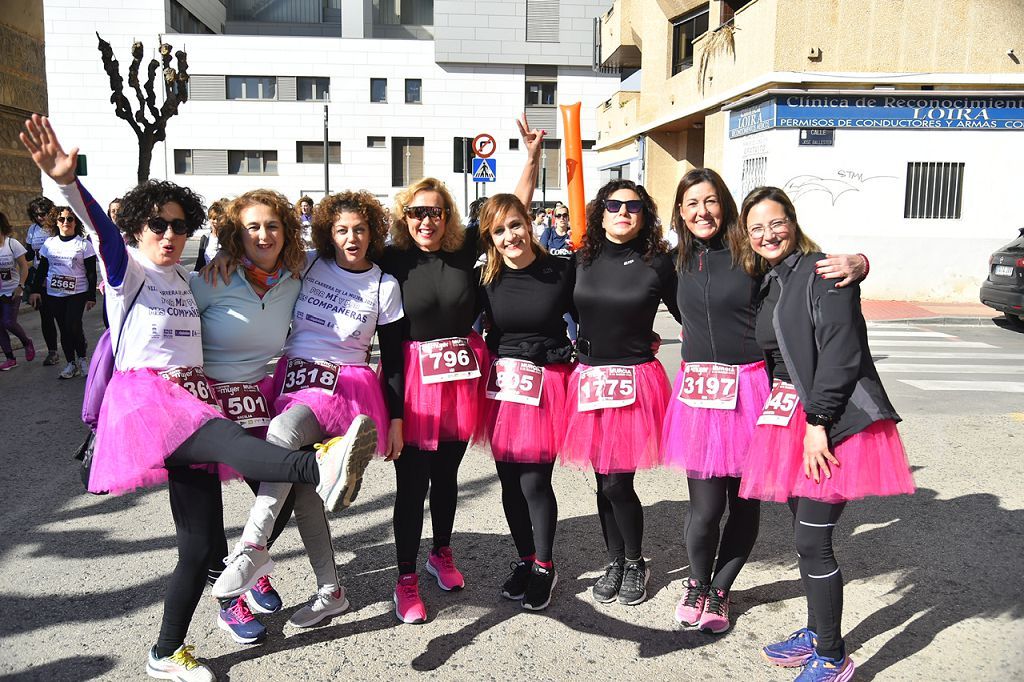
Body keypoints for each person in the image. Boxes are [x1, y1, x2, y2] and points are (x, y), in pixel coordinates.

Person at [21, 114, 364, 682]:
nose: (168, 233)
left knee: (199, 543)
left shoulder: (185, 277)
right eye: (156, 224)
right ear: (135, 228)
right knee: (242, 450)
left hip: (196, 396)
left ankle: (165, 651)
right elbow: (102, 234)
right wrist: (66, 184)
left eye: (178, 225)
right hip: (153, 404)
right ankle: (319, 463)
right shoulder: (124, 270)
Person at [660, 169, 868, 633]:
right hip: (698, 393)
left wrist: (859, 262)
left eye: (711, 201)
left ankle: (720, 591)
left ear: (725, 204)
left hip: (754, 388)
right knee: (705, 507)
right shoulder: (670, 262)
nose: (702, 211)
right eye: (692, 203)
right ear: (679, 211)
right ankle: (697, 581)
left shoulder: (750, 256)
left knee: (745, 502)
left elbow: (803, 272)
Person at [737, 186, 914, 682]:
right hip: (792, 417)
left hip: (829, 422)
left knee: (814, 543)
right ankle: (816, 632)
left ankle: (834, 658)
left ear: (792, 222)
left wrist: (818, 424)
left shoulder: (823, 273)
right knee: (802, 536)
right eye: (756, 228)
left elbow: (842, 352)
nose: (768, 234)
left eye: (776, 223)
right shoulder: (772, 280)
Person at [211, 190, 404, 631]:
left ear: (373, 232)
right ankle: (331, 591)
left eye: (360, 229)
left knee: (282, 432)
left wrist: (395, 418)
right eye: (341, 230)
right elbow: (262, 253)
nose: (351, 238)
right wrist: (226, 254)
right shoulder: (311, 263)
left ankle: (252, 546)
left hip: (344, 387)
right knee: (301, 490)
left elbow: (392, 359)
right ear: (327, 234)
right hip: (294, 376)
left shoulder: (384, 285)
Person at [190, 189, 306, 645]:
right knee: (207, 514)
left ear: (286, 231)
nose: (263, 234)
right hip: (205, 401)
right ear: (237, 235)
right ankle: (227, 602)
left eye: (272, 225)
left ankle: (250, 562)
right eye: (252, 227)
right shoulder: (209, 280)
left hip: (258, 397)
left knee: (280, 493)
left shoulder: (296, 278)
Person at [559, 180, 681, 607]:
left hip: (633, 381)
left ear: (644, 215)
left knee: (616, 480)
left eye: (634, 206)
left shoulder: (659, 263)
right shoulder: (581, 260)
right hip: (590, 379)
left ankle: (635, 560)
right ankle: (614, 560)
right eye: (614, 205)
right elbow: (562, 308)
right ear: (601, 212)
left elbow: (692, 312)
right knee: (602, 479)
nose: (623, 212)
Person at [380, 177, 488, 623]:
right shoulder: (391, 260)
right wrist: (395, 415)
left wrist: (535, 157)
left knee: (447, 476)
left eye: (435, 212)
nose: (426, 220)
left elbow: (511, 209)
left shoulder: (463, 252)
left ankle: (441, 552)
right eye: (417, 212)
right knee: (412, 484)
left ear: (448, 216)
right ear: (404, 218)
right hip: (414, 383)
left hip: (460, 381)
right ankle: (405, 578)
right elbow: (334, 251)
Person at [477, 193, 574, 611]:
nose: (509, 235)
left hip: (545, 384)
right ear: (491, 238)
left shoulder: (562, 271)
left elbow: (594, 312)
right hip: (502, 388)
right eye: (499, 230)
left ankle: (545, 566)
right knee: (509, 482)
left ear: (529, 222)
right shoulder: (487, 280)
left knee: (535, 481)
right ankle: (525, 558)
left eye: (515, 224)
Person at [28, 204, 96, 379]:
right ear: (56, 222)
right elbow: (42, 269)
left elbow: (90, 272)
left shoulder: (83, 244)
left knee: (73, 324)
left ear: (75, 222)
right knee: (64, 328)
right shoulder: (49, 243)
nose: (66, 222)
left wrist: (91, 296)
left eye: (70, 219)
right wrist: (35, 291)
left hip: (77, 292)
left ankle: (82, 358)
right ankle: (70, 363)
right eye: (62, 219)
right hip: (54, 293)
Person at [24, 196, 59, 365]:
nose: (40, 217)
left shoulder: (57, 227)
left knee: (63, 316)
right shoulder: (32, 229)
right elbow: (29, 254)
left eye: (43, 213)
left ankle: (76, 341)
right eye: (36, 214)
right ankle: (52, 352)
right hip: (40, 278)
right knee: (46, 317)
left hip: (59, 275)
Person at [0, 212, 33, 370]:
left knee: (8, 322)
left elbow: (24, 266)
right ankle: (10, 358)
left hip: (12, 290)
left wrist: (20, 286)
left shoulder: (12, 244)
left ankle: (27, 342)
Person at [539, 205, 576, 341]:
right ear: (554, 218)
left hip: (570, 278)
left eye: (564, 215)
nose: (562, 218)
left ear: (568, 218)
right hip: (552, 278)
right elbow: (541, 252)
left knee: (569, 309)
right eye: (559, 216)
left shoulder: (573, 234)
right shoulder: (549, 233)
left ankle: (574, 341)